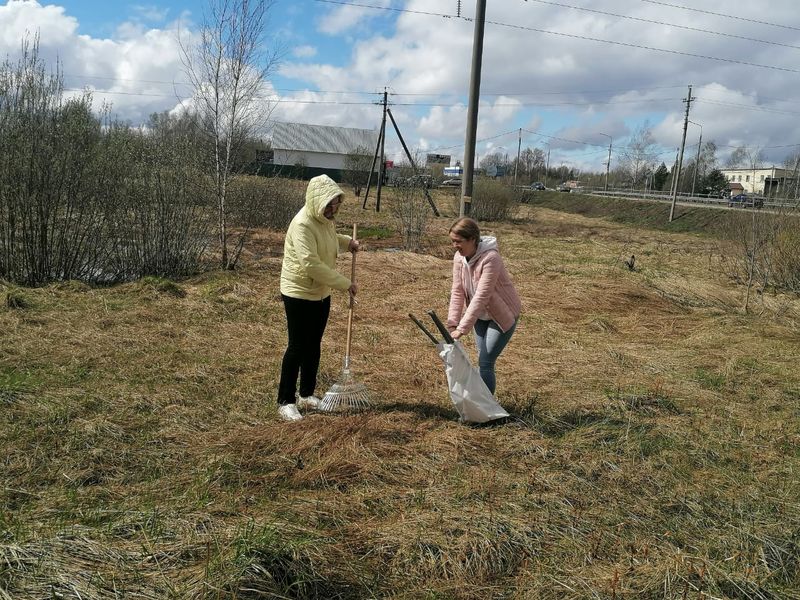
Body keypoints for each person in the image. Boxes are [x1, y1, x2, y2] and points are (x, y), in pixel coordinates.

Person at [277, 175, 359, 422]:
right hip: (299, 292)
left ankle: (306, 394)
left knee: (314, 344)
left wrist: (348, 243)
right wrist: (345, 284)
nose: (333, 209)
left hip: (321, 292)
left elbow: (331, 241)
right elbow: (311, 264)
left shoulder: (325, 220)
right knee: (297, 346)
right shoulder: (302, 224)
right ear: (317, 201)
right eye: (330, 205)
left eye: (336, 204)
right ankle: (286, 401)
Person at [446, 217, 521, 395]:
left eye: (458, 241)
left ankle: (486, 412)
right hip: (480, 316)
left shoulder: (491, 258)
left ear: (472, 239)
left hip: (503, 315)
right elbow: (457, 291)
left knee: (486, 362)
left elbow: (481, 296)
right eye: (452, 241)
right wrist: (452, 323)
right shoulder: (459, 258)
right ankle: (480, 406)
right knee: (482, 360)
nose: (455, 246)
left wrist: (462, 328)